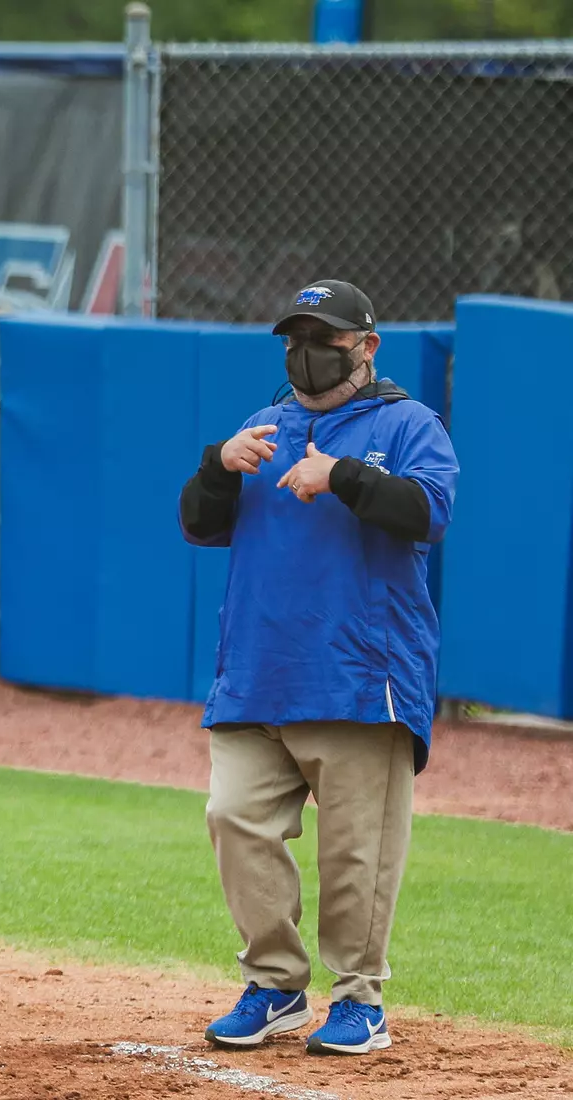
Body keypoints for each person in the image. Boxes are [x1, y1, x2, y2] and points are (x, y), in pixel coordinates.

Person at [179, 280, 458, 1057]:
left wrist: (340, 475)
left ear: (366, 346)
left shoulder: (409, 424)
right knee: (234, 818)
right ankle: (274, 985)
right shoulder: (264, 424)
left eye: (325, 337)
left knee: (354, 854)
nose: (306, 352)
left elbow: (428, 512)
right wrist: (217, 464)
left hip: (362, 677)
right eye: (295, 338)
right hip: (258, 672)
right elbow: (201, 526)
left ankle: (359, 1000)